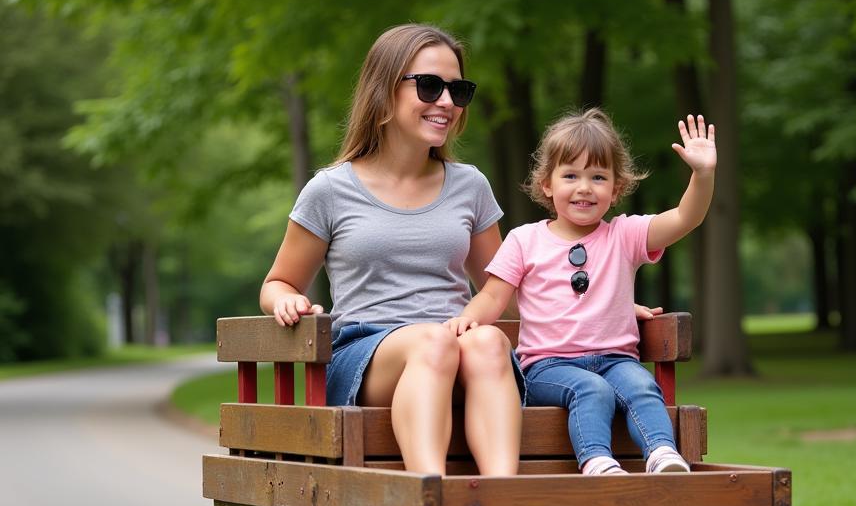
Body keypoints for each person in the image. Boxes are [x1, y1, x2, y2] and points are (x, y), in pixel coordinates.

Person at [260, 24, 522, 476]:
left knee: (489, 341)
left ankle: (502, 497)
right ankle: (428, 491)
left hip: (456, 348)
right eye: (429, 85)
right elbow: (277, 282)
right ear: (384, 90)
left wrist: (601, 302)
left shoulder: (471, 185)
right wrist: (286, 299)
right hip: (367, 354)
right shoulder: (331, 189)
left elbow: (503, 291)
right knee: (434, 341)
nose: (446, 102)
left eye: (457, 90)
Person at [446, 108, 716, 476]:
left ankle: (662, 454)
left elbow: (686, 217)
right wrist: (467, 319)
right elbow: (493, 296)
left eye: (598, 176)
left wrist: (702, 174)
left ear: (616, 188)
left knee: (641, 384)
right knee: (592, 389)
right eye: (570, 175)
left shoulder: (624, 235)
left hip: (616, 359)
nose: (584, 187)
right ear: (547, 184)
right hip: (547, 366)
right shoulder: (524, 240)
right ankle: (596, 460)